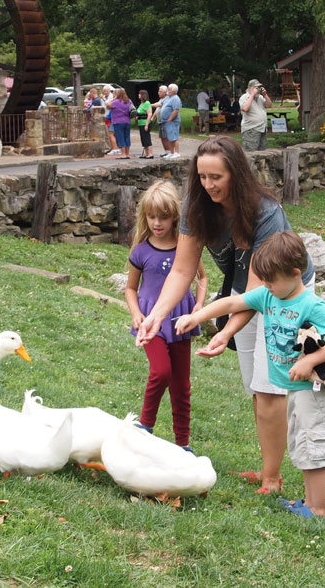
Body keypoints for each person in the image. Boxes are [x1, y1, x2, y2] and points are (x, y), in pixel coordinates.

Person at [136, 136, 316, 496]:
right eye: (202, 176)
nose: (209, 185)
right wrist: (156, 314)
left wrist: (222, 333)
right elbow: (182, 271)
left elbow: (256, 293)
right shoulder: (196, 206)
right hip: (242, 290)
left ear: (236, 173)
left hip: (284, 294)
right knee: (256, 385)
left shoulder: (265, 212)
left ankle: (271, 480)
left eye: (216, 177)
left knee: (269, 386)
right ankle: (270, 470)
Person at [175, 231, 325, 519]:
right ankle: (309, 503)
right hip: (297, 390)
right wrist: (196, 316)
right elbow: (231, 304)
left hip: (313, 389)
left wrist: (311, 361)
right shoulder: (270, 295)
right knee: (301, 447)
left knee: (314, 450)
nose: (266, 286)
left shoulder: (310, 305)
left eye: (271, 280)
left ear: (295, 273)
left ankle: (321, 511)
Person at [125, 181, 208, 450]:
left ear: (176, 216)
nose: (157, 223)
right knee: (161, 371)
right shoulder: (140, 251)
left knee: (181, 386)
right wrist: (136, 313)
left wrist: (199, 306)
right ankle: (145, 426)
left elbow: (202, 278)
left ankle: (182, 444)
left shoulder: (186, 246)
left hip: (181, 320)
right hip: (152, 323)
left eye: (163, 217)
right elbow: (130, 288)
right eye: (151, 217)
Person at [240, 78, 272, 151]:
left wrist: (265, 95)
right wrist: (252, 96)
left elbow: (269, 105)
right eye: (256, 88)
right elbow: (245, 108)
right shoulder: (244, 97)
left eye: (259, 87)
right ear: (250, 88)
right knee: (251, 152)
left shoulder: (260, 97)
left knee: (262, 152)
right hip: (251, 129)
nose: (259, 89)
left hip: (262, 128)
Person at [107, 88, 133, 159]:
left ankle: (123, 154)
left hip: (118, 122)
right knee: (127, 137)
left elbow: (108, 105)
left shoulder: (116, 102)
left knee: (120, 137)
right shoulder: (129, 101)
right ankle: (127, 154)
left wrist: (114, 98)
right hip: (127, 121)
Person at [162, 83, 183, 158]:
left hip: (173, 121)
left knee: (174, 137)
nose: (168, 90)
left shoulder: (175, 98)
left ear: (173, 91)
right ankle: (171, 152)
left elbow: (176, 110)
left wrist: (170, 118)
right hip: (167, 121)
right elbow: (160, 103)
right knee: (169, 137)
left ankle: (177, 152)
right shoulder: (168, 97)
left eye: (169, 89)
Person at [136, 89, 155, 159]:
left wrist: (147, 124)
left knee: (147, 137)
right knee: (143, 138)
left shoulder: (147, 103)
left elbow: (149, 114)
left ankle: (150, 153)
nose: (138, 95)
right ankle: (146, 153)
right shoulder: (141, 104)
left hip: (145, 123)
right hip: (140, 123)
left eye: (140, 94)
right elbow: (139, 112)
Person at [102, 85, 120, 155]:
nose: (105, 92)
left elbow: (108, 105)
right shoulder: (104, 97)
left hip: (113, 118)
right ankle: (114, 148)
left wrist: (105, 99)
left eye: (106, 91)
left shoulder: (112, 98)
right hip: (107, 117)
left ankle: (115, 148)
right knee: (110, 133)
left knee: (112, 133)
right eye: (104, 91)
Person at [156, 85, 172, 157]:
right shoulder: (161, 99)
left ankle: (170, 151)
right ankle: (167, 151)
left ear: (165, 92)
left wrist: (149, 105)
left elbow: (159, 105)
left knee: (166, 137)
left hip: (165, 121)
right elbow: (158, 108)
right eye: (158, 91)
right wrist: (153, 116)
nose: (158, 92)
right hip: (160, 121)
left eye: (160, 91)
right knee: (162, 137)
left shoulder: (167, 99)